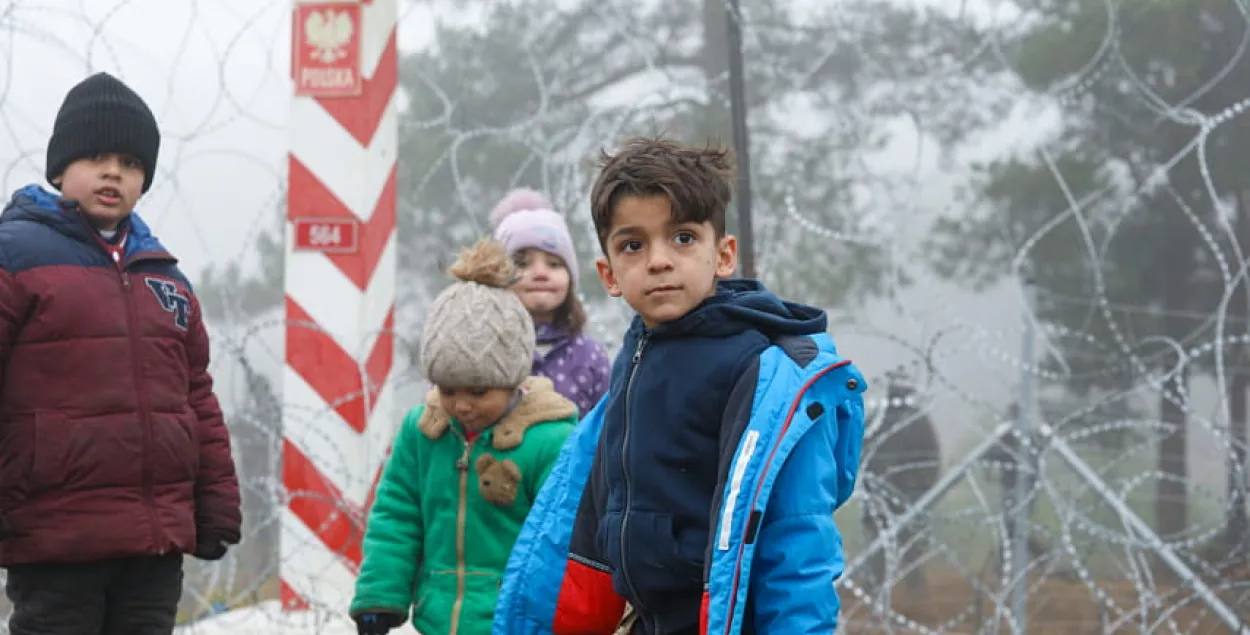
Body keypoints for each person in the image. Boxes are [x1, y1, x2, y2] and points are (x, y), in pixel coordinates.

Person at [493, 136, 867, 635]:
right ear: (608, 273)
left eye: (683, 238)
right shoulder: (636, 358)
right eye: (633, 245)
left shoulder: (764, 377)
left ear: (725, 254)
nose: (659, 260)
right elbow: (596, 510)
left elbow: (797, 541)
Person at [0, 72, 242, 635]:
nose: (114, 172)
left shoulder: (166, 277)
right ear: (59, 168)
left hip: (153, 538)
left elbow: (196, 398)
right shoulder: (15, 256)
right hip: (57, 531)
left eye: (131, 163)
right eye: (96, 156)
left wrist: (215, 503)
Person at [350, 238, 579, 635]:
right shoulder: (423, 433)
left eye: (478, 391)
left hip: (517, 622)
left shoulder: (550, 441)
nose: (462, 406)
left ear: (512, 380)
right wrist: (379, 596)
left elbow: (561, 542)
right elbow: (396, 516)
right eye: (448, 389)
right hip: (437, 622)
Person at [490, 188, 610, 415]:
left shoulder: (589, 355)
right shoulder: (483, 349)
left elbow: (608, 430)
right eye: (523, 264)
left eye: (554, 264)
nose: (540, 273)